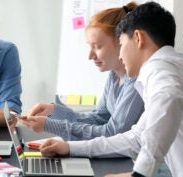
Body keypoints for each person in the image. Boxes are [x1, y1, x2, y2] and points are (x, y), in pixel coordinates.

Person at [40, 2, 183, 177]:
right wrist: (71, 147)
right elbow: (136, 138)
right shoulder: (168, 68)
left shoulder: (160, 73)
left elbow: (169, 95)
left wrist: (138, 175)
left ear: (138, 38)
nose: (121, 55)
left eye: (122, 44)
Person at [22, 2, 144, 141]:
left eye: (98, 47)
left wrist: (51, 126)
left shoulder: (136, 81)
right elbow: (99, 118)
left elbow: (113, 132)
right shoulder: (114, 76)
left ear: (121, 42)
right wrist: (54, 110)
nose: (90, 56)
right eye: (90, 46)